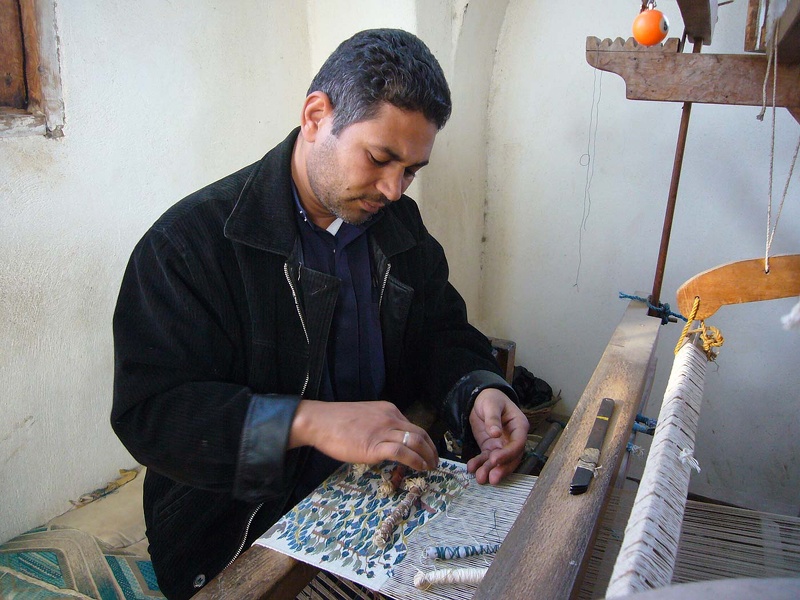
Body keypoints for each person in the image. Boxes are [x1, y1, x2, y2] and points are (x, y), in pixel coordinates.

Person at [111, 28, 529, 599]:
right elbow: (154, 418)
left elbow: (441, 332)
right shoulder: (189, 246)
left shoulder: (397, 226)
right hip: (236, 522)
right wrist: (308, 422)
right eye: (380, 158)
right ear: (316, 116)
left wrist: (477, 391)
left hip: (370, 487)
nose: (393, 188)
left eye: (411, 170)